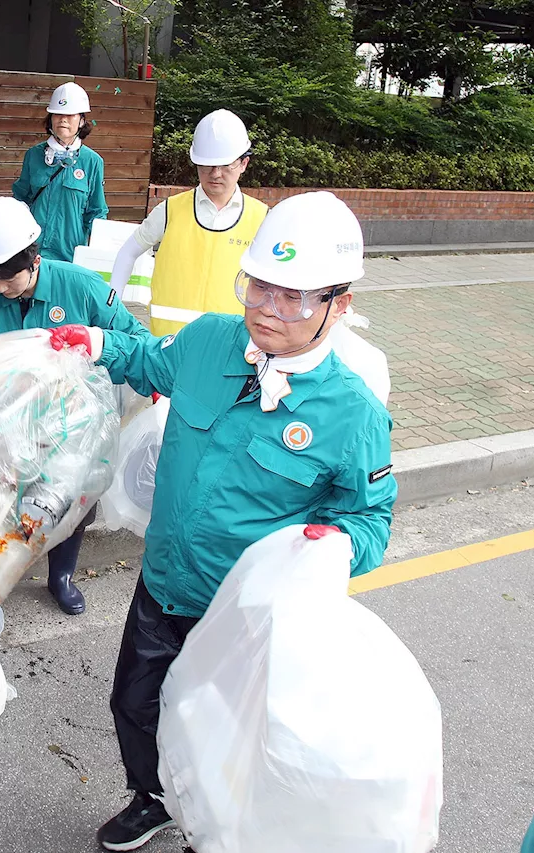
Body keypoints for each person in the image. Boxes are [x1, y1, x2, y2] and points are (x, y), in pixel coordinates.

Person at [49, 192, 397, 850]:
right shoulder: (211, 339)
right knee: (135, 703)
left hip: (247, 618)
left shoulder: (353, 413)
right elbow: (149, 359)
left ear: (338, 304)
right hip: (166, 585)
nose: (266, 309)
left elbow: (370, 520)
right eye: (258, 286)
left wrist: (340, 542)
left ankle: (213, 828)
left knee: (227, 737)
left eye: (292, 297)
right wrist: (96, 340)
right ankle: (152, 797)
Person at [0, 197, 149, 615]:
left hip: (75, 427)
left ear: (33, 257)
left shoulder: (81, 286)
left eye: (8, 277)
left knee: (74, 504)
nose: (1, 287)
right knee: (5, 502)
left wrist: (142, 379)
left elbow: (134, 338)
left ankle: (60, 576)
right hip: (11, 426)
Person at [109, 109, 268, 337]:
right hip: (168, 346)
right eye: (206, 165)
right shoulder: (170, 210)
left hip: (230, 346)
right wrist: (112, 305)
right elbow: (128, 252)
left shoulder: (261, 218)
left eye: (225, 165)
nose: (215, 174)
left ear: (244, 163)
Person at [12, 82, 108, 264]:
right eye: (58, 114)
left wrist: (95, 256)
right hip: (32, 252)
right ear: (50, 119)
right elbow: (20, 199)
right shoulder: (33, 155)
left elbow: (97, 212)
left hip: (70, 255)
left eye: (70, 115)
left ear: (81, 120)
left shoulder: (92, 161)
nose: (63, 119)